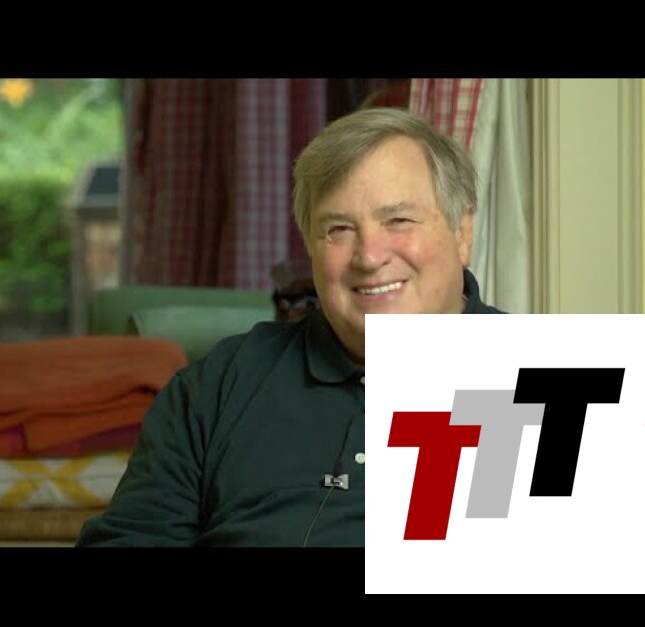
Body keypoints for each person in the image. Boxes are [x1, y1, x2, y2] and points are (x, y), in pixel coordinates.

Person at [75, 107, 505, 548]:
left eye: (399, 221)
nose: (369, 256)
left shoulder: (528, 381)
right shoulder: (216, 386)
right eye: (339, 229)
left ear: (462, 232)